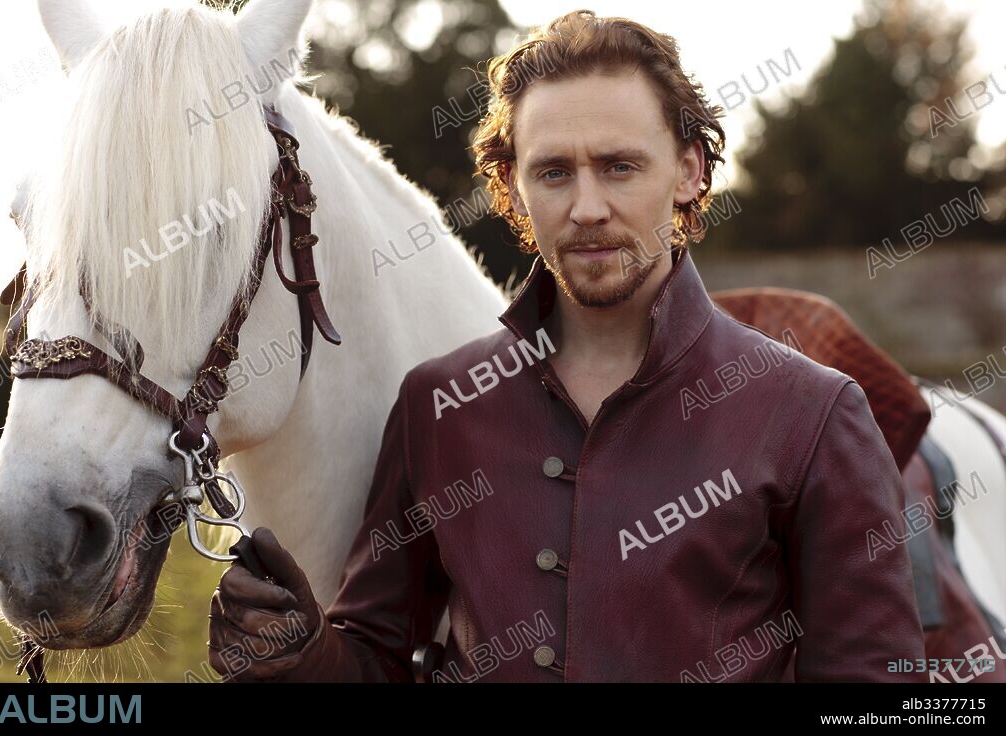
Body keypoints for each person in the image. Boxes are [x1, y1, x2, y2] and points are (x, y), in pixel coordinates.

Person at [208, 9, 926, 682]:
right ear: (512, 190)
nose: (586, 208)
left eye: (619, 166)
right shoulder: (439, 404)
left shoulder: (813, 414)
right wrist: (301, 651)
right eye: (553, 172)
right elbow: (378, 658)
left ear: (689, 172)